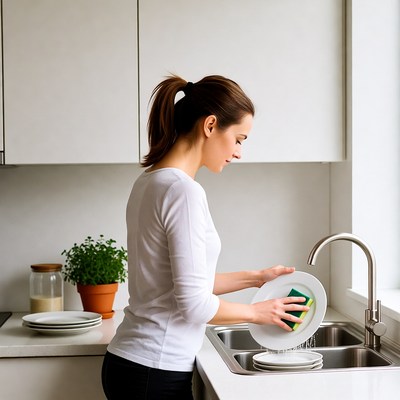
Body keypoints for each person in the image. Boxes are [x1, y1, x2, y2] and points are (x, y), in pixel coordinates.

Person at [101, 75, 309, 399]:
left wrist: (257, 278)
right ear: (210, 125)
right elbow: (195, 305)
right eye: (239, 138)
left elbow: (181, 284)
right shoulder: (183, 192)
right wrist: (259, 313)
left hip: (133, 363)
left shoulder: (150, 181)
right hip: (154, 372)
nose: (239, 152)